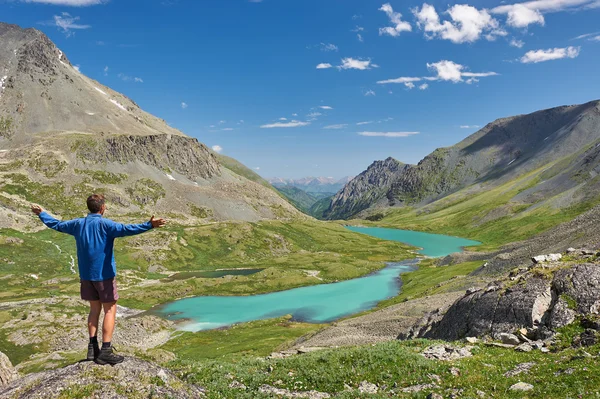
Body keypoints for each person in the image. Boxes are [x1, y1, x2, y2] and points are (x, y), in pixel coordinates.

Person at [31, 194, 166, 365]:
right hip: (104, 276)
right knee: (110, 309)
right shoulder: (106, 224)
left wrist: (41, 213)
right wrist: (150, 225)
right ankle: (106, 351)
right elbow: (127, 229)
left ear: (89, 207)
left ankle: (92, 348)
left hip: (86, 276)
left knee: (94, 310)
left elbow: (56, 224)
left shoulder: (78, 224)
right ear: (102, 208)